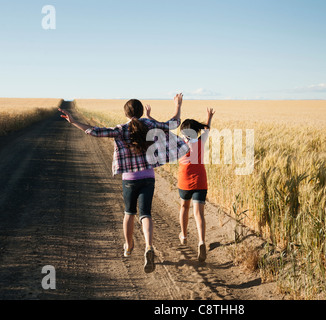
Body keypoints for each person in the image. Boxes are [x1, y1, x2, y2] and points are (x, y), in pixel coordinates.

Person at [58, 94, 188, 273]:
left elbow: (95, 131)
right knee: (146, 214)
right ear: (142, 112)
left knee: (129, 213)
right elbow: (173, 123)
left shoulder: (121, 129)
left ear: (126, 114)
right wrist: (178, 105)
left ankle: (128, 246)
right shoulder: (150, 125)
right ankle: (149, 246)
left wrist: (73, 121)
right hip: (148, 177)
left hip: (129, 180)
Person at [177, 107, 215, 262]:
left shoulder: (179, 144)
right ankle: (201, 241)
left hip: (184, 181)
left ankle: (184, 235)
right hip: (200, 180)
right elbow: (207, 130)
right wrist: (208, 118)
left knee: (184, 207)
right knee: (199, 213)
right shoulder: (200, 142)